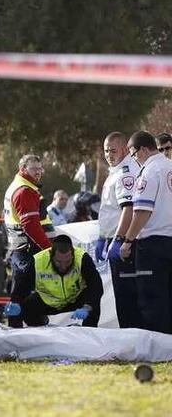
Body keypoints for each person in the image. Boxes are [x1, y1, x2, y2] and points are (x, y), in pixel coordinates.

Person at [118, 131, 172, 334]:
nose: (134, 159)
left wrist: (128, 240)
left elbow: (141, 211)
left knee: (152, 298)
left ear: (142, 149)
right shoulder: (169, 165)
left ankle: (159, 346)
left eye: (133, 153)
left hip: (153, 245)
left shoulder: (149, 171)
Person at [4, 235, 103, 328]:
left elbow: (96, 286)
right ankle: (35, 330)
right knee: (21, 306)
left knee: (93, 303)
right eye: (58, 262)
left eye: (68, 262)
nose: (63, 267)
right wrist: (15, 304)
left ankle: (89, 333)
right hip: (47, 301)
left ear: (73, 254)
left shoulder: (82, 258)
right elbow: (20, 289)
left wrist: (87, 307)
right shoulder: (37, 261)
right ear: (51, 255)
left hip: (75, 298)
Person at [3, 154, 56, 328]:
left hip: (18, 248)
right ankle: (32, 325)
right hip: (26, 249)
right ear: (23, 169)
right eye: (34, 169)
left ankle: (16, 327)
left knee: (18, 292)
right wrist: (49, 248)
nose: (39, 172)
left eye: (40, 169)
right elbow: (30, 225)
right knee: (27, 292)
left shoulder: (19, 186)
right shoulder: (24, 190)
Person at [99, 132, 142, 329]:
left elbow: (129, 208)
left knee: (127, 296)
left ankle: (132, 338)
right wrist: (102, 237)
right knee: (120, 294)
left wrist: (118, 239)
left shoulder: (126, 172)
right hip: (113, 239)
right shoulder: (114, 171)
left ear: (125, 149)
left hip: (125, 242)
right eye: (106, 151)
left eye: (113, 150)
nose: (109, 154)